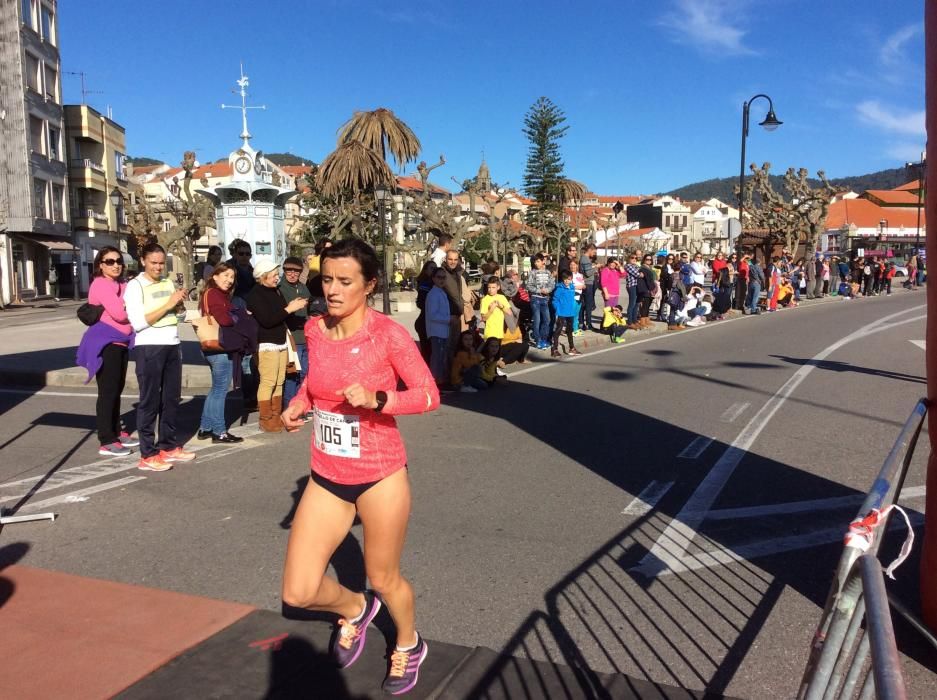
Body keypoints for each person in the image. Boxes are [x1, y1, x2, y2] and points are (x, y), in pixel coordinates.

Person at [279, 239, 440, 695]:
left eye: (345, 281)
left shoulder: (387, 334)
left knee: (384, 576)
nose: (332, 290)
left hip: (380, 473)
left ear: (369, 285)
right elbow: (315, 383)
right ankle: (353, 609)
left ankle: (408, 643)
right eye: (327, 279)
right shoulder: (313, 329)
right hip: (327, 474)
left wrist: (378, 398)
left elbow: (429, 395)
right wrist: (298, 404)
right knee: (298, 592)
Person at [125, 242, 195, 472]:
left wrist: (179, 307)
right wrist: (168, 304)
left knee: (171, 399)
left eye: (161, 263)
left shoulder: (167, 281)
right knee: (149, 401)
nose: (158, 267)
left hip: (172, 344)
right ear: (143, 261)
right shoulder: (135, 286)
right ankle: (147, 453)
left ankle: (168, 445)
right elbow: (139, 323)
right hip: (149, 347)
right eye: (153, 263)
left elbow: (178, 312)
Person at [83, 246, 137, 456]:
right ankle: (106, 440)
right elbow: (120, 314)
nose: (115, 265)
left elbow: (128, 306)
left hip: (121, 342)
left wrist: (126, 304)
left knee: (117, 388)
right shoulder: (100, 284)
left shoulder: (121, 284)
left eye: (118, 261)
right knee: (108, 391)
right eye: (109, 262)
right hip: (106, 343)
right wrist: (127, 306)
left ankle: (116, 430)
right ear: (100, 265)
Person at [247, 258, 308, 432]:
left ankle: (276, 416)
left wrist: (294, 307)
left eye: (277, 274)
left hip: (280, 341)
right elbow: (267, 320)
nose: (276, 278)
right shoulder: (255, 294)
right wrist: (289, 308)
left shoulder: (275, 291)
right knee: (268, 381)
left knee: (280, 381)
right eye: (274, 275)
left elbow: (280, 315)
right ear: (263, 276)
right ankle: (266, 419)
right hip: (266, 343)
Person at [196, 263, 243, 443]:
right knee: (220, 391)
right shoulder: (215, 294)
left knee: (215, 389)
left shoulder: (213, 294)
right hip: (219, 348)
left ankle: (205, 428)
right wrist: (237, 316)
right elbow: (223, 319)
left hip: (212, 347)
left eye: (232, 277)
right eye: (225, 275)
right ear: (215, 276)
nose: (229, 280)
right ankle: (219, 431)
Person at [280, 257, 312, 408]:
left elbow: (310, 307)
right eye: (289, 270)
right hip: (291, 338)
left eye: (296, 271)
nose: (292, 274)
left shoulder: (303, 287)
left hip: (305, 337)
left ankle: (300, 406)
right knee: (292, 375)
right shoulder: (280, 288)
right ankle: (290, 407)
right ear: (284, 270)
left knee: (304, 374)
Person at [425, 266, 451, 385]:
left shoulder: (441, 292)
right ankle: (434, 383)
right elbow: (433, 315)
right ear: (434, 278)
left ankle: (438, 381)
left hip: (443, 330)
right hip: (436, 331)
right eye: (439, 277)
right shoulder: (433, 294)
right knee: (437, 358)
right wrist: (448, 319)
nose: (442, 280)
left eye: (443, 277)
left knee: (441, 358)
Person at [525, 253, 555, 350]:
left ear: (543, 261)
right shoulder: (532, 273)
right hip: (535, 299)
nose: (536, 263)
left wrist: (548, 290)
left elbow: (552, 284)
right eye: (535, 261)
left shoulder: (548, 272)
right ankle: (537, 340)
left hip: (545, 299)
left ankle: (543, 339)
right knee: (537, 320)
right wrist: (539, 290)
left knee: (547, 320)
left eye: (538, 261)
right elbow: (528, 286)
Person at [440, 249, 468, 354]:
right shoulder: (442, 274)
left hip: (456, 315)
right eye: (450, 259)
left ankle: (453, 369)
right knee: (447, 348)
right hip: (448, 316)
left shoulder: (457, 272)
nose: (453, 262)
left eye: (455, 259)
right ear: (445, 259)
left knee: (454, 347)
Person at [551, 269, 581, 358]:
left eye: (569, 279)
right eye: (565, 279)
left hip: (570, 313)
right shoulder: (559, 288)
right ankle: (555, 349)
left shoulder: (572, 287)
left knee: (569, 330)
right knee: (558, 330)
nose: (567, 281)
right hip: (561, 313)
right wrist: (557, 309)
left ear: (571, 278)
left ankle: (571, 348)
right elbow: (554, 300)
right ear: (562, 279)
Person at [413, 260, 438, 363]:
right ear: (426, 270)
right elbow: (420, 304)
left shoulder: (434, 284)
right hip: (424, 323)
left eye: (435, 268)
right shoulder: (424, 285)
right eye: (431, 268)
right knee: (427, 351)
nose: (434, 270)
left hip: (428, 322)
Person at [579, 243, 598, 332]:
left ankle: (583, 323)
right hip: (587, 284)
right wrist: (595, 267)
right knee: (588, 304)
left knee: (585, 304)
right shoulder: (585, 259)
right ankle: (588, 323)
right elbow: (588, 273)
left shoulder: (585, 258)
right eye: (594, 252)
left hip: (587, 283)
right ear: (590, 250)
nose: (594, 254)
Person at [636, 253, 657, 328]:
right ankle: (642, 321)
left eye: (650, 259)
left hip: (650, 289)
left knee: (648, 305)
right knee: (645, 305)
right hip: (645, 289)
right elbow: (647, 280)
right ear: (644, 260)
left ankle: (646, 320)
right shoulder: (643, 268)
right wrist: (651, 289)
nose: (649, 261)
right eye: (647, 259)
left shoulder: (649, 268)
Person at [622, 254, 641, 328]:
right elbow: (637, 274)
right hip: (631, 286)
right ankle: (630, 322)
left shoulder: (636, 266)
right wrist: (641, 274)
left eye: (636, 258)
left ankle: (634, 320)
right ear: (628, 258)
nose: (634, 259)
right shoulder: (628, 266)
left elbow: (641, 272)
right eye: (632, 257)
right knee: (632, 304)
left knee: (637, 304)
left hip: (637, 286)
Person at [569, 259, 585, 335]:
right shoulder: (568, 275)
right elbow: (568, 285)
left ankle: (576, 329)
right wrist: (576, 287)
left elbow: (583, 285)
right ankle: (573, 330)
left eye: (574, 264)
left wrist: (583, 286)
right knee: (572, 314)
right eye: (571, 265)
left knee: (577, 314)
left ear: (577, 265)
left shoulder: (580, 275)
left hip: (580, 297)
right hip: (572, 296)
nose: (572, 266)